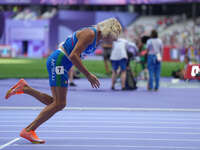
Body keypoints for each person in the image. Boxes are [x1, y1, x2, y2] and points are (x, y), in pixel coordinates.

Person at [5, 18, 122, 144]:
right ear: (108, 30)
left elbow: (72, 52)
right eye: (114, 35)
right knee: (60, 104)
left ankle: (25, 89)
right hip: (59, 62)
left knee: (55, 103)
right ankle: (28, 130)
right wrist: (88, 75)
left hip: (61, 63)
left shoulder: (96, 38)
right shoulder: (90, 34)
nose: (114, 39)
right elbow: (73, 55)